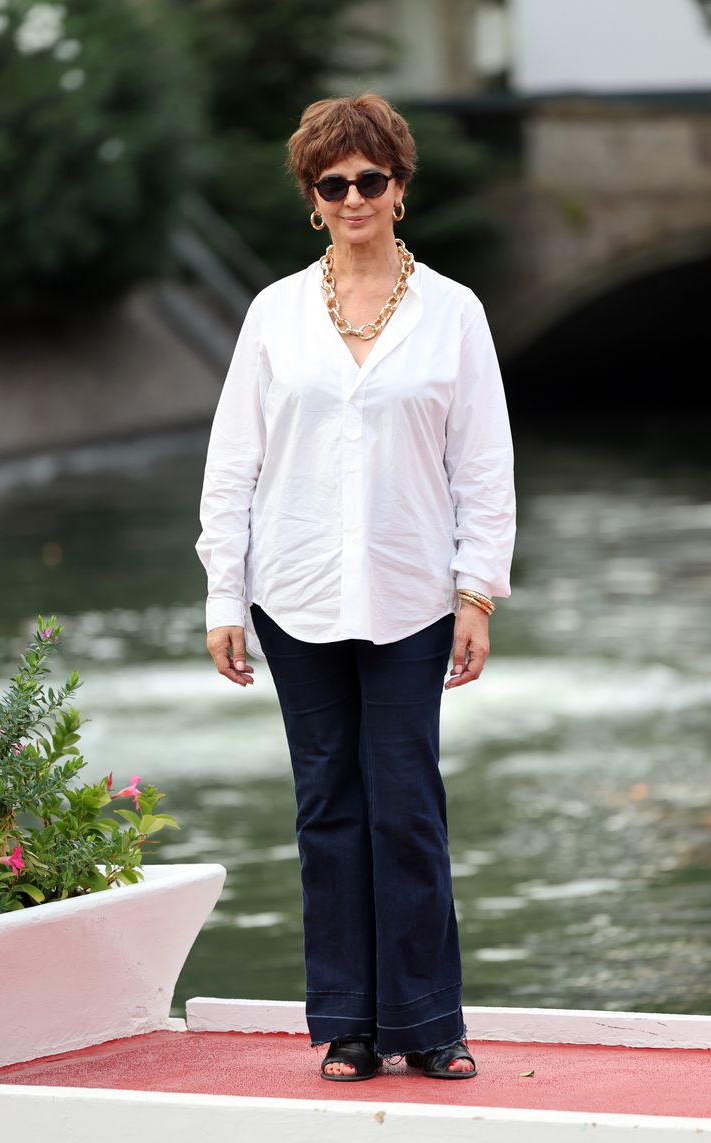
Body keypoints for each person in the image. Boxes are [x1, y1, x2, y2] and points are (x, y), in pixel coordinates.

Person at [195, 93, 515, 1083]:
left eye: (370, 179)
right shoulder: (274, 314)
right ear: (312, 197)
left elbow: (484, 466)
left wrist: (476, 594)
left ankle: (428, 1023)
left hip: (414, 595)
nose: (353, 196)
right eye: (333, 183)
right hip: (294, 595)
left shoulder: (453, 312)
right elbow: (233, 462)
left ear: (399, 186)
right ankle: (347, 1024)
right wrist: (222, 593)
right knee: (326, 807)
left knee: (407, 808)